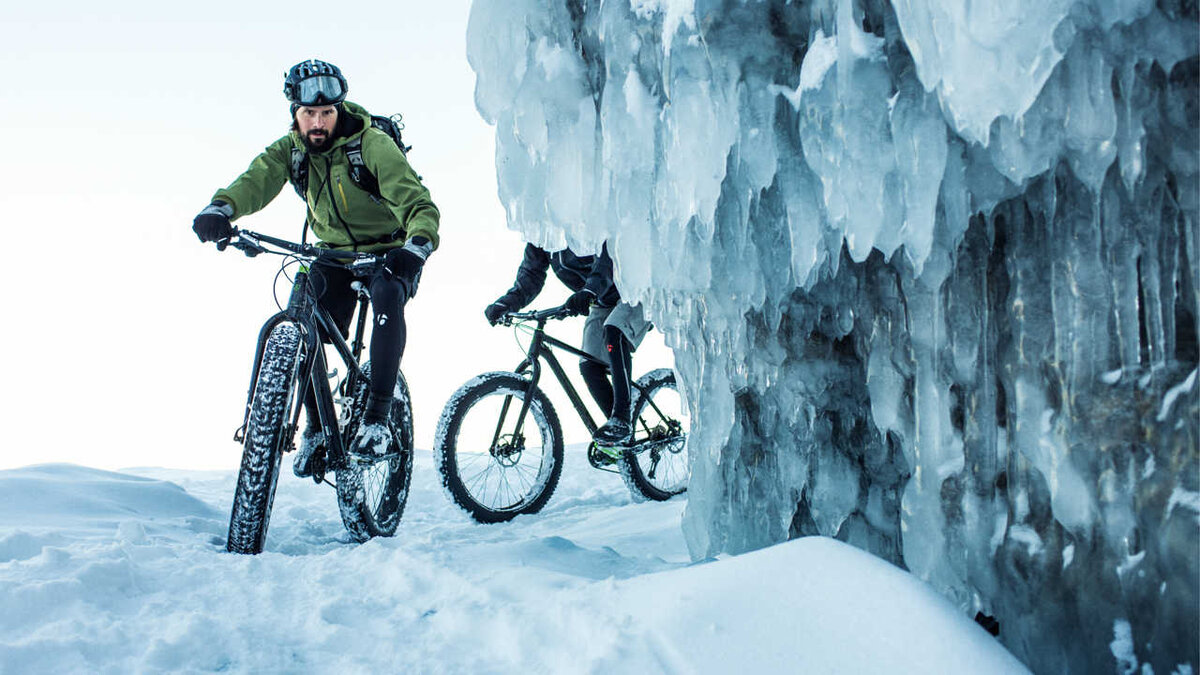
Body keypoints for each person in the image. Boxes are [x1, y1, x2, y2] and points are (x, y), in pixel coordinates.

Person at [192, 59, 439, 476]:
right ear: (295, 114)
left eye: (327, 113)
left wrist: (416, 245)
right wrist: (222, 208)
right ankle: (315, 428)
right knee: (303, 308)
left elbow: (417, 203)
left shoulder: (373, 145)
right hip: (333, 253)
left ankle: (378, 416)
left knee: (386, 294)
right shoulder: (289, 150)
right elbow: (257, 179)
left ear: (339, 109)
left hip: (389, 251)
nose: (318, 123)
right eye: (309, 114)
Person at [484, 243, 650, 449]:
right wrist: (506, 303)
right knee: (589, 366)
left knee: (614, 333)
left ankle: (622, 419)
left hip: (635, 291)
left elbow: (609, 257)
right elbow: (531, 275)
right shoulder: (544, 234)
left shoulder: (582, 218)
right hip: (602, 299)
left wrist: (589, 290)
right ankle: (622, 439)